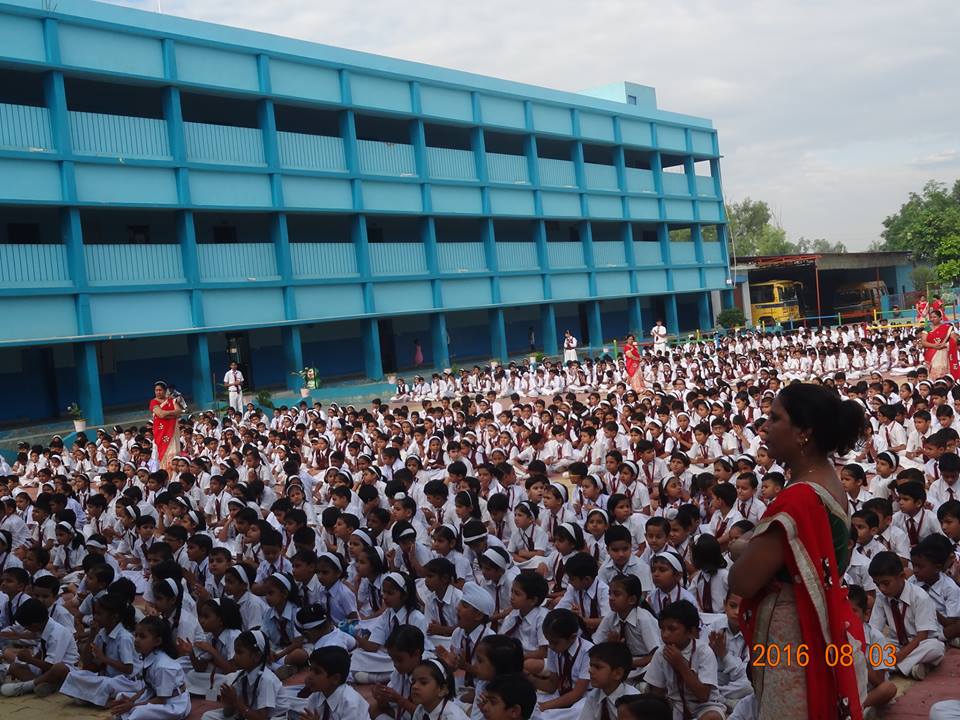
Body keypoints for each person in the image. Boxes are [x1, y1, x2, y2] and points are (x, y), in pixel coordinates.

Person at [729, 383, 867, 719]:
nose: (765, 426)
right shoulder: (828, 480)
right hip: (819, 627)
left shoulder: (799, 497)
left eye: (775, 418)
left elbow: (743, 581)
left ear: (804, 431)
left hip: (795, 640)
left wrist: (739, 547)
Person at [150, 381, 180, 473]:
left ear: (165, 390)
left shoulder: (171, 400)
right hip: (161, 431)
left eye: (160, 390)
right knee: (164, 454)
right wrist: (172, 415)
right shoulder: (153, 402)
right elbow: (160, 414)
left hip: (172, 430)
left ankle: (176, 474)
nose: (158, 392)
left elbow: (179, 412)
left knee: (173, 453)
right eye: (156, 390)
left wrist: (166, 414)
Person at [921, 309, 960, 379]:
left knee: (945, 371)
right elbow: (923, 342)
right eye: (931, 317)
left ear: (940, 318)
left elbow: (954, 340)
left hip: (945, 352)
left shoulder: (948, 328)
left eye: (934, 317)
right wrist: (934, 345)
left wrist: (944, 345)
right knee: (934, 371)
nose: (932, 319)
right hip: (932, 353)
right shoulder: (928, 328)